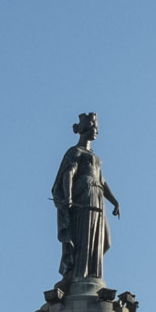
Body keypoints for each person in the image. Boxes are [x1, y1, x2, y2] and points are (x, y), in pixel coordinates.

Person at [51, 112, 120, 283]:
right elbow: (68, 173)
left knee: (104, 242)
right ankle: (77, 276)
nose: (96, 130)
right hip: (83, 199)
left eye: (96, 127)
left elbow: (101, 181)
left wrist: (114, 201)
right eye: (93, 126)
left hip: (97, 200)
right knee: (83, 239)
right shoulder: (75, 152)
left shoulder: (95, 157)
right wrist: (68, 197)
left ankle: (92, 274)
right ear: (84, 129)